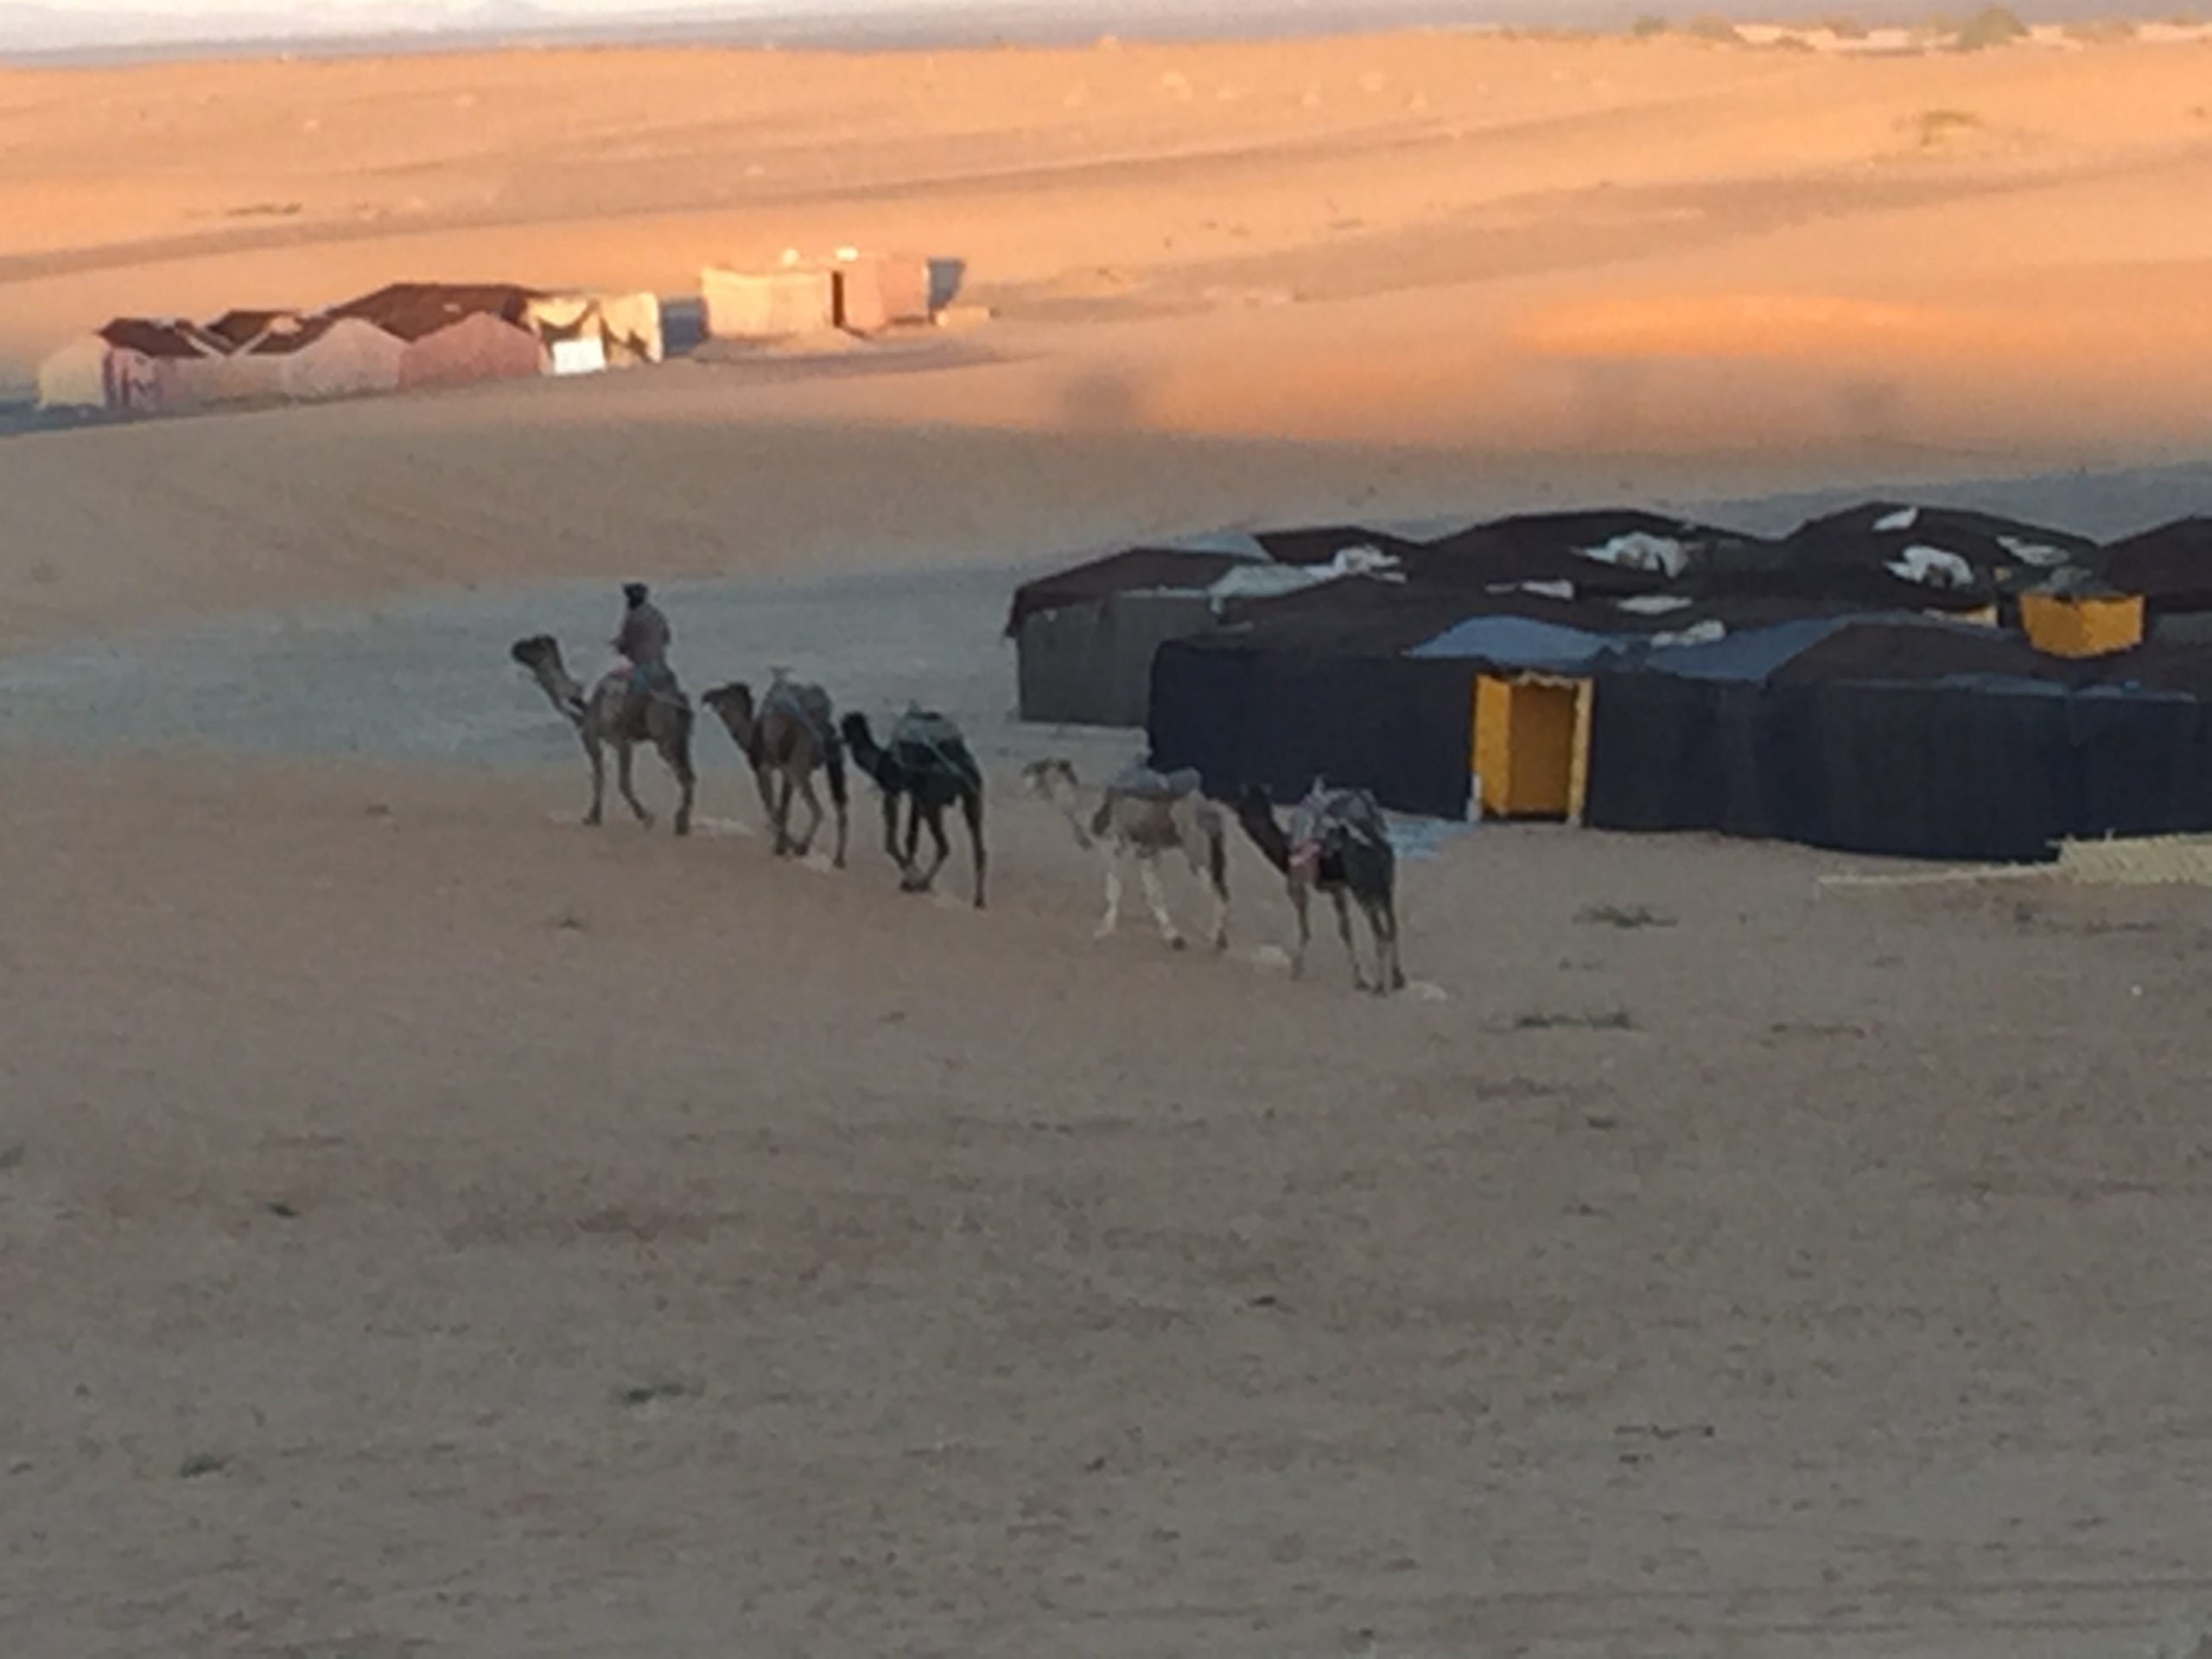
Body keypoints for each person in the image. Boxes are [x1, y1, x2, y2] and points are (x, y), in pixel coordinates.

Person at [612, 581, 677, 721]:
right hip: (660, 662)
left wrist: (618, 646)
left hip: (641, 665)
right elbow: (666, 637)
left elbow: (627, 641)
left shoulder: (633, 617)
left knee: (630, 696)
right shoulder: (657, 614)